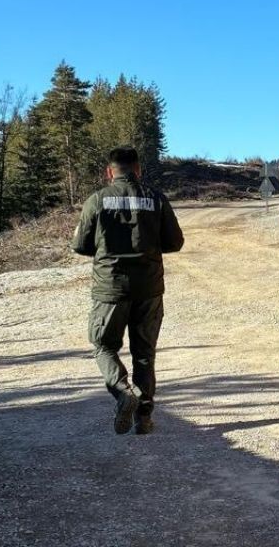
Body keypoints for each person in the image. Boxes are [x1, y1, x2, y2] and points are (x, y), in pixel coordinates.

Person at [71, 146, 184, 435]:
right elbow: (175, 243)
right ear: (138, 171)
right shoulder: (156, 199)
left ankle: (123, 391)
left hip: (110, 288)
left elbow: (80, 245)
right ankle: (144, 418)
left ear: (110, 172)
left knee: (104, 346)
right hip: (149, 288)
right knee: (144, 353)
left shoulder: (97, 200)